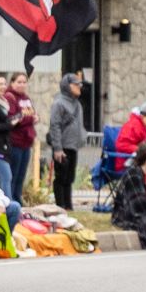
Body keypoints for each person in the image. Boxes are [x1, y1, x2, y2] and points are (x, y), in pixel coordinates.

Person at [46, 71, 89, 211]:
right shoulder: (59, 103)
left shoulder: (77, 104)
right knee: (61, 177)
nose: (79, 87)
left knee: (70, 177)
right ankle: (60, 205)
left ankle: (68, 206)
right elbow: (55, 125)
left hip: (73, 146)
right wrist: (57, 148)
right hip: (62, 146)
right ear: (67, 86)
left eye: (80, 84)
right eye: (76, 84)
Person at [2, 74, 37, 199]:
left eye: (24, 82)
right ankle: (11, 200)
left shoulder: (26, 98)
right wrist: (30, 119)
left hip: (26, 142)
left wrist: (29, 118)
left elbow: (33, 115)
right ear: (12, 83)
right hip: (15, 142)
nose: (22, 84)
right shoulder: (9, 97)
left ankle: (18, 198)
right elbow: (14, 119)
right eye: (19, 82)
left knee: (21, 175)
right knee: (13, 175)